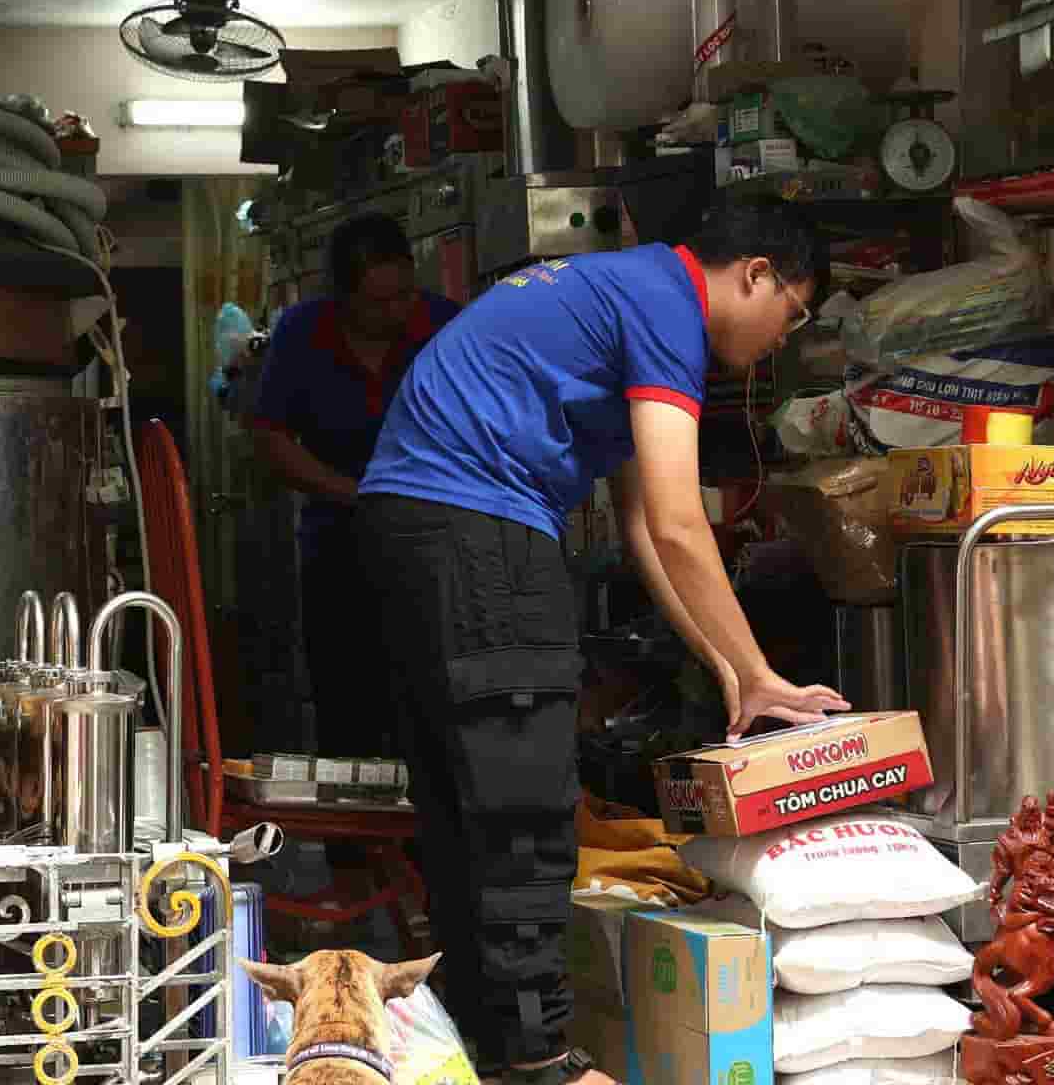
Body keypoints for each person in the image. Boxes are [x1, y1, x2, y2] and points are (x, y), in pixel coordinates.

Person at [358, 198, 848, 1085]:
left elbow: (643, 529)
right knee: (523, 802)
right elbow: (679, 520)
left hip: (411, 522)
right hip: (478, 524)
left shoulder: (623, 292)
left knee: (462, 798)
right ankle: (541, 1058)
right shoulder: (668, 310)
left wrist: (735, 673)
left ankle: (490, 1043)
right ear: (756, 275)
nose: (784, 336)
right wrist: (766, 669)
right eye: (795, 310)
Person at [251, 213, 460, 862]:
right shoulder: (303, 334)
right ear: (342, 298)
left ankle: (431, 858)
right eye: (379, 301)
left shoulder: (444, 324)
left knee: (427, 701)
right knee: (348, 706)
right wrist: (352, 492)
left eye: (405, 294)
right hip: (338, 547)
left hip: (432, 545)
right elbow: (270, 437)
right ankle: (353, 865)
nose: (398, 311)